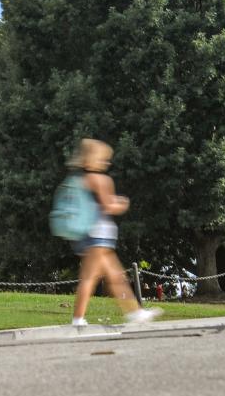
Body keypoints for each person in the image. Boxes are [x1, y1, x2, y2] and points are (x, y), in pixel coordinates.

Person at [69, 139, 162, 326]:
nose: (106, 163)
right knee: (91, 278)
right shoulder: (100, 179)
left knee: (115, 276)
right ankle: (78, 318)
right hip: (99, 236)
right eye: (103, 159)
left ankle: (134, 313)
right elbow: (108, 206)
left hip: (90, 236)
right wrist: (122, 203)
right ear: (91, 159)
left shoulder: (80, 180)